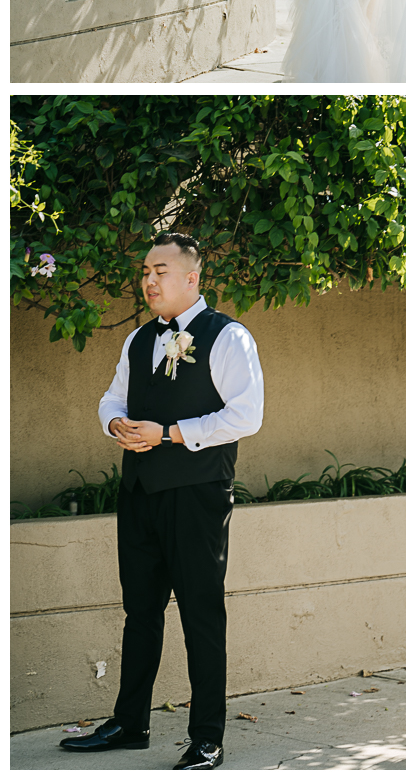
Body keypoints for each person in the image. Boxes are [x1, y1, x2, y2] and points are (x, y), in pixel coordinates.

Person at [59, 232, 264, 771]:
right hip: (139, 494)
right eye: (146, 271)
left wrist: (170, 432)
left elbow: (247, 416)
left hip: (197, 496)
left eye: (161, 271)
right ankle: (131, 722)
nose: (149, 280)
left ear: (192, 278)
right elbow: (113, 396)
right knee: (140, 611)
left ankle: (207, 737)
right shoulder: (138, 339)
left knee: (201, 614)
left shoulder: (228, 337)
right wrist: (115, 423)